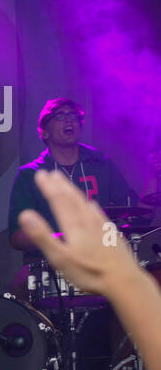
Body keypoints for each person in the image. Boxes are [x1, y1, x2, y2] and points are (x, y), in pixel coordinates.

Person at [7, 98, 135, 256]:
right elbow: (17, 237)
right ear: (44, 132)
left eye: (73, 116)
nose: (69, 119)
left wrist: (153, 177)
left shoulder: (100, 164)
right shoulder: (30, 175)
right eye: (59, 116)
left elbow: (137, 215)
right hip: (52, 266)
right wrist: (60, 239)